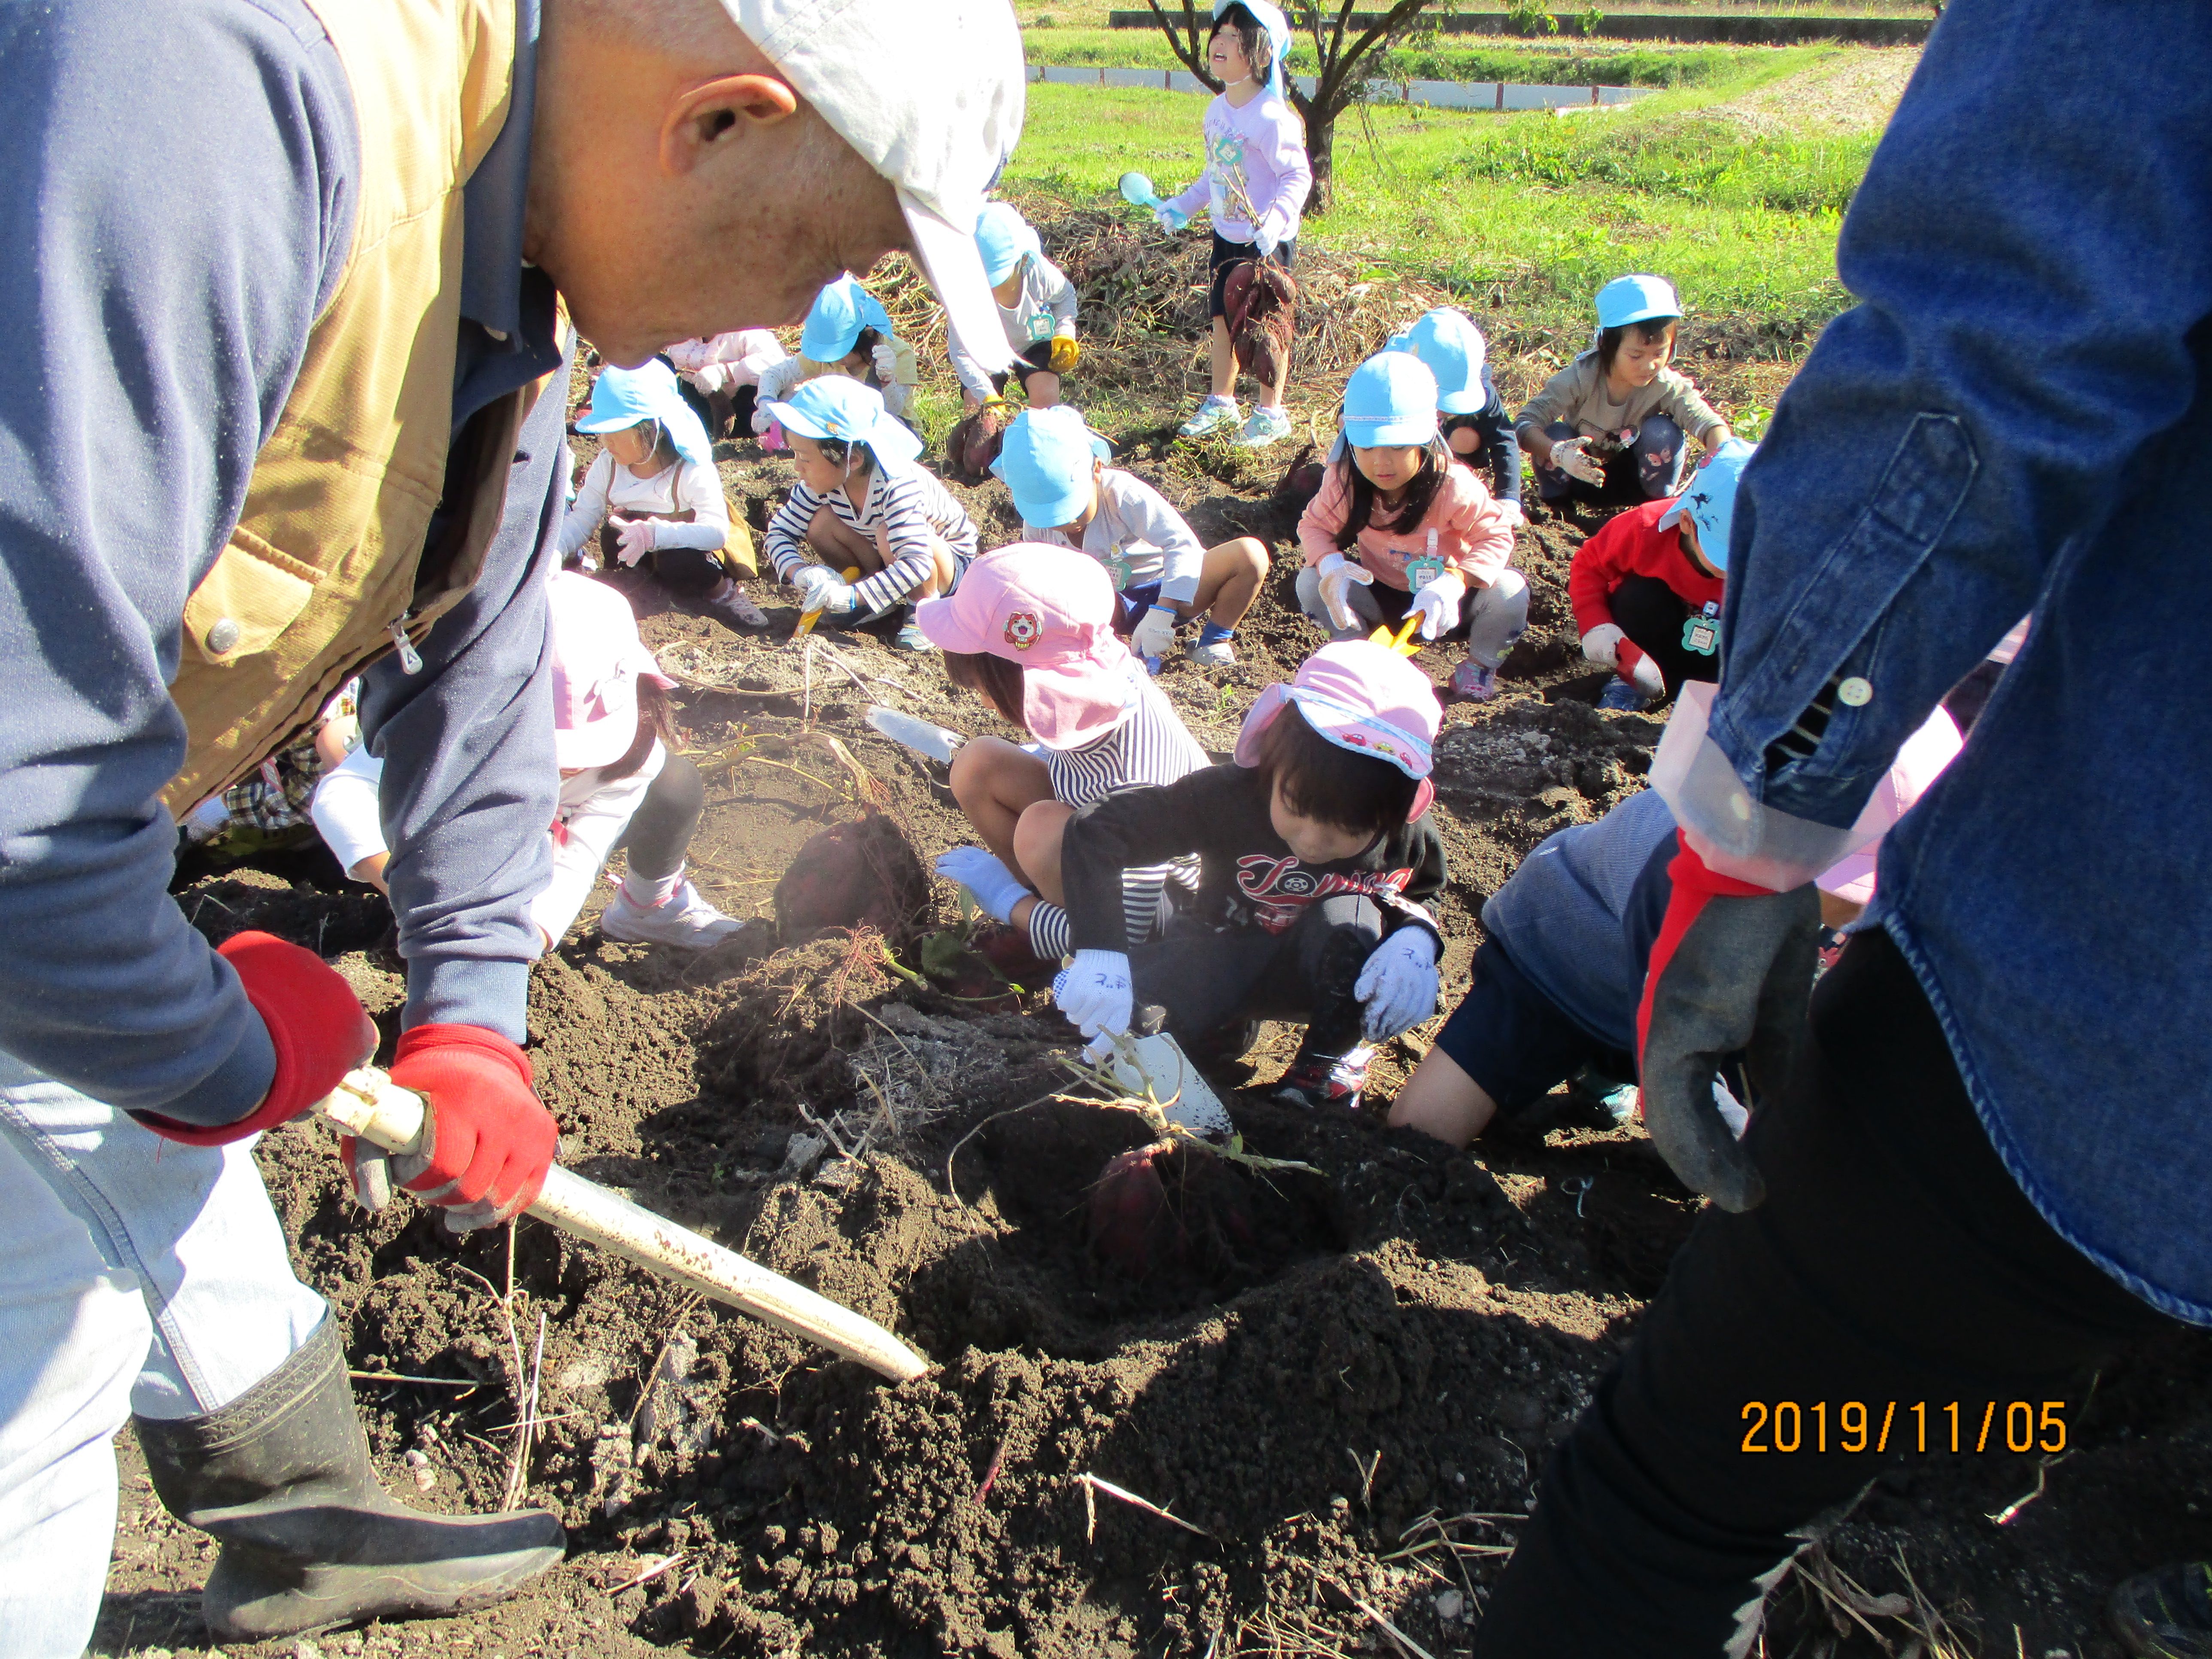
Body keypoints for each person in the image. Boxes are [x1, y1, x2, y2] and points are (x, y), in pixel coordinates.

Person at [0, 0, 1026, 1646]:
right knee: (33, 1369)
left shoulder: (534, 270)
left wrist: (470, 1015)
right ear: (716, 124)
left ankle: (306, 1518)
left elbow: (473, 645)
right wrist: (213, 1047)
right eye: (823, 254)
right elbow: (17, 801)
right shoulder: (220, 86)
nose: (802, 313)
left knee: (98, 1115)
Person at [1467, 4, 2212, 1653]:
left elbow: (1988, 360)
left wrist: (1746, 847)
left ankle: (1993, 1436)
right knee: (1978, 1393)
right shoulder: (1595, 479)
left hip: (2117, 1009)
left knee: (1676, 1503)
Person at [1389, 702, 1961, 1150]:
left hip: (1680, 990)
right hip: (1559, 966)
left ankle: (1608, 1071)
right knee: (1416, 1134)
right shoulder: (1684, 872)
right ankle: (1599, 1062)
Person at [1051, 641, 1448, 1111]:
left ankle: (1324, 1067)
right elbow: (1099, 831)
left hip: (1330, 975)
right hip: (1220, 954)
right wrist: (1102, 953)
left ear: (1396, 812)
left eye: (1349, 829)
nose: (1314, 842)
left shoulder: (1406, 835)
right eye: (1297, 810)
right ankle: (1217, 1031)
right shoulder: (1227, 800)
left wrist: (1416, 943)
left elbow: (1421, 896)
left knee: (1351, 917)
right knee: (1118, 1024)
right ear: (1271, 766)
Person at [313, 574, 741, 952]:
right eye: (551, 751)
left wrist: (526, 938)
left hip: (529, 848)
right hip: (436, 846)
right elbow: (341, 798)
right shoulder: (450, 726)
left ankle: (649, 909)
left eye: (581, 753)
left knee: (675, 783)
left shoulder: (633, 756)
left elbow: (580, 857)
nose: (567, 767)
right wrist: (413, 892)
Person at [918, 546, 1212, 981]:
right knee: (978, 763)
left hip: (1167, 919)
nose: (980, 699)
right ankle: (1043, 914)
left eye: (982, 686)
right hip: (1102, 835)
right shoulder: (1093, 670)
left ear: (1021, 680)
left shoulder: (1133, 782)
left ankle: (1063, 952)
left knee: (1042, 830)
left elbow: (1121, 938)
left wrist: (1007, 901)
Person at [1297, 352, 1528, 701]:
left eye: (1398, 446)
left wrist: (1456, 583)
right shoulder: (1344, 481)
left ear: (1424, 438)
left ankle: (1479, 666)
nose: (1381, 462)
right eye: (1367, 446)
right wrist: (1332, 566)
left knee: (1509, 591)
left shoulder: (1451, 485)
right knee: (1311, 581)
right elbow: (1313, 527)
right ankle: (1356, 650)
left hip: (1447, 603)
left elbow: (1495, 533)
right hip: (1380, 594)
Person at [994, 405, 1271, 668]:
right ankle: (1101, 655)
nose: (1066, 524)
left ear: (1097, 469)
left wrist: (1163, 613)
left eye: (1072, 509)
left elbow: (1180, 543)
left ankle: (1213, 642)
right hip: (1101, 606)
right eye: (1051, 518)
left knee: (1250, 555)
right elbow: (1042, 581)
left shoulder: (1122, 494)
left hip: (1168, 589)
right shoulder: (1036, 524)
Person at [1155, 0, 1311, 448]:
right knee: (1223, 320)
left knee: (1267, 327)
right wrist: (1182, 206)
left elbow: (1297, 176)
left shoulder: (1272, 119)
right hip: (1226, 237)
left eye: (1234, 36)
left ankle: (1270, 412)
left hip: (1264, 244)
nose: (1219, 42)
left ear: (1262, 55)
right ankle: (1222, 402)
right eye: (1218, 33)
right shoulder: (1217, 111)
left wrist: (1277, 222)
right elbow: (1216, 176)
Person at [759, 375, 980, 652]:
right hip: (888, 556)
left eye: (805, 459)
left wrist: (851, 598)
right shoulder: (819, 484)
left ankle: (923, 608)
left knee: (887, 534)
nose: (797, 469)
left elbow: (916, 563)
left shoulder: (897, 484)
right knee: (819, 525)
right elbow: (780, 532)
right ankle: (876, 598)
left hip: (944, 565)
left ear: (852, 459)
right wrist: (801, 573)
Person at [559, 360, 770, 630]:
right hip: (639, 540)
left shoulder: (691, 469)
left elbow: (716, 532)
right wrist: (555, 550)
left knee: (678, 561)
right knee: (613, 535)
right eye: (603, 432)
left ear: (652, 430)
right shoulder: (608, 463)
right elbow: (584, 516)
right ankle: (641, 585)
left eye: (616, 432)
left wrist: (657, 536)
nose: (606, 441)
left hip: (695, 546)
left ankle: (722, 594)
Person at [1515, 273, 1733, 510]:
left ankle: (1655, 510)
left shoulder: (1665, 385)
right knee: (1556, 432)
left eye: (1659, 354)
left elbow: (1709, 423)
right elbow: (1525, 424)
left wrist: (1722, 461)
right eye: (1636, 356)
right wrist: (1558, 454)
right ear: (1607, 346)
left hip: (1637, 479)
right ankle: (1557, 512)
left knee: (1663, 432)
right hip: (1579, 472)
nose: (1649, 366)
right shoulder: (1580, 378)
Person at [1572, 438, 1756, 710]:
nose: (1739, 570)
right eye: (1726, 557)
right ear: (1686, 521)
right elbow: (1589, 564)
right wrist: (1595, 625)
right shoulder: (1646, 528)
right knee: (1638, 596)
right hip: (1652, 649)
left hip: (1717, 663)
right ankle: (1632, 685)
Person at [179, 681, 362, 854]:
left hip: (338, 760)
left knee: (335, 749)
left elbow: (313, 789)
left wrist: (213, 811)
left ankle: (306, 834)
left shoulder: (303, 701)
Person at [1388, 307, 1525, 523]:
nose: (1442, 409)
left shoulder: (1480, 387)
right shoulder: (1388, 376)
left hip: (1445, 448)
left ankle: (1446, 487)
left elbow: (1503, 439)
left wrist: (1509, 499)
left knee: (1466, 437)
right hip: (1395, 445)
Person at [950, 201, 1080, 414]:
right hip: (984, 348)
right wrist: (987, 395)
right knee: (977, 411)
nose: (992, 289)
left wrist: (1065, 334)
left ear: (1023, 260)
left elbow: (1065, 296)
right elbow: (961, 353)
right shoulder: (963, 292)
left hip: (1032, 342)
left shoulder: (1038, 272)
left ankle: (1037, 438)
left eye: (1001, 279)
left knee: (1045, 400)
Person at [752, 273, 918, 430]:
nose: (834, 360)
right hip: (841, 429)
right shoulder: (827, 358)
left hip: (894, 432)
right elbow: (775, 374)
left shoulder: (896, 353)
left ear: (866, 336)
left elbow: (893, 411)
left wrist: (887, 382)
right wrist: (766, 403)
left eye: (840, 350)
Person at [665, 326, 788, 439]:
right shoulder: (682, 336)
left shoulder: (745, 331)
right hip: (701, 408)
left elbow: (775, 361)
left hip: (748, 410)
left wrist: (725, 372)